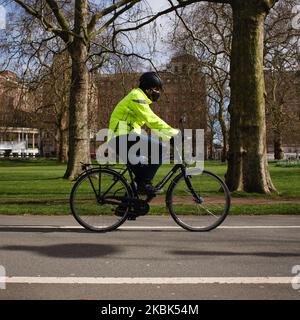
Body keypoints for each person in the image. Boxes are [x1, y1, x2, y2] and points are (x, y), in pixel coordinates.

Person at [108, 71, 179, 195]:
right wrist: (173, 134)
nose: (158, 92)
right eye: (156, 89)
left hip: (124, 138)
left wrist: (167, 136)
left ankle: (126, 207)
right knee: (161, 149)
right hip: (122, 137)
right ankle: (145, 184)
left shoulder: (139, 99)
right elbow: (151, 120)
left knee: (142, 171)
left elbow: (150, 124)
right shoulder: (137, 96)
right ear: (148, 89)